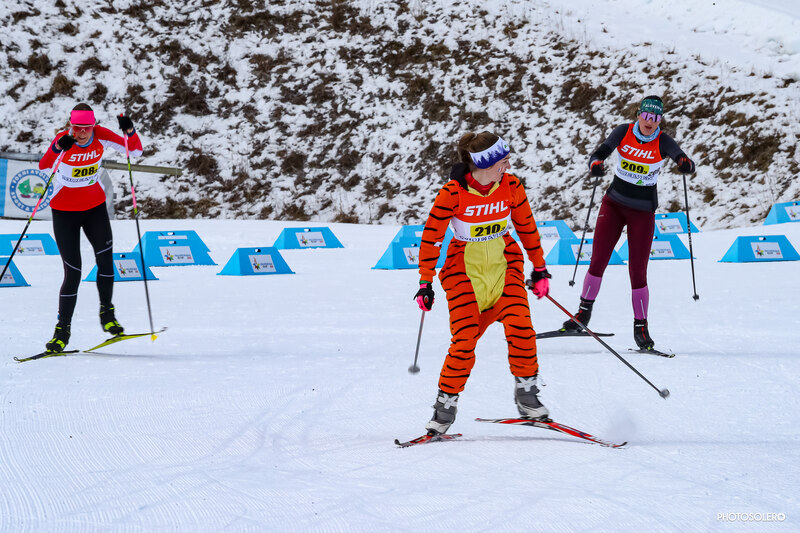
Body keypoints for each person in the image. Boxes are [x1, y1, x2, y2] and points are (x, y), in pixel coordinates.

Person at [414, 131, 552, 435]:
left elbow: (526, 226)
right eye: (503, 161)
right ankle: (444, 408)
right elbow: (432, 237)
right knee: (464, 341)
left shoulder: (511, 186)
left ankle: (527, 395)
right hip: (464, 272)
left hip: (505, 267)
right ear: (485, 163)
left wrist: (540, 268)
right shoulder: (452, 194)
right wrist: (425, 281)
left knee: (522, 328)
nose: (508, 165)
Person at [561, 95, 695, 350]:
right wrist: (595, 164)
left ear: (660, 120)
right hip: (613, 204)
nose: (649, 121)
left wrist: (685, 164)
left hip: (642, 211)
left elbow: (681, 157)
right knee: (598, 260)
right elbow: (599, 152)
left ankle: (640, 328)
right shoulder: (623, 132)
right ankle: (582, 315)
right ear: (639, 115)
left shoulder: (663, 140)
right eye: (646, 115)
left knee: (638, 271)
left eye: (655, 117)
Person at [38, 103, 143, 353]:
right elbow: (44, 165)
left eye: (87, 127)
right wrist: (57, 148)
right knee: (73, 272)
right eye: (77, 128)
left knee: (105, 261)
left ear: (94, 125)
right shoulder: (63, 140)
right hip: (64, 213)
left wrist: (129, 131)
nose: (82, 132)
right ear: (70, 125)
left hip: (95, 208)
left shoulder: (102, 135)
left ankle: (107, 314)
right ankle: (62, 331)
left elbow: (135, 151)